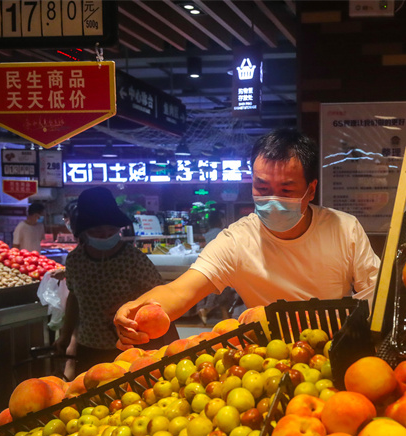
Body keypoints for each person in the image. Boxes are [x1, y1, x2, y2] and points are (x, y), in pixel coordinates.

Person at [114, 127, 380, 347]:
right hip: (266, 360)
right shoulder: (237, 241)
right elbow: (180, 291)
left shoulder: (344, 229)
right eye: (262, 187)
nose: (272, 199)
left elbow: (378, 294)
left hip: (334, 349)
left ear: (311, 191)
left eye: (286, 190)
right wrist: (136, 310)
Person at [55, 187, 179, 374]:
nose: (105, 236)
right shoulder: (75, 260)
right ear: (84, 232)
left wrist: (172, 347)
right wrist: (65, 337)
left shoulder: (133, 259)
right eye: (98, 232)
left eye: (111, 231)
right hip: (90, 347)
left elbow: (160, 300)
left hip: (132, 348)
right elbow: (74, 298)